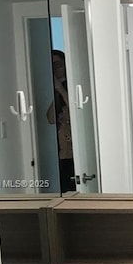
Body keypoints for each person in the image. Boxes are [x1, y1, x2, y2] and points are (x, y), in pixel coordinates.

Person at [46, 50, 76, 193]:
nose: (55, 69)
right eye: (51, 66)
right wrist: (56, 92)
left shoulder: (74, 83)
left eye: (58, 64)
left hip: (74, 145)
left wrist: (61, 90)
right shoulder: (53, 90)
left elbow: (76, 111)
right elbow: (50, 119)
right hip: (61, 147)